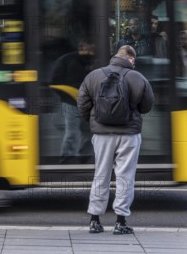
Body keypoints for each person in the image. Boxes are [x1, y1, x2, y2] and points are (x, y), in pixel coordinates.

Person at [77, 45, 154, 235]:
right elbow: (147, 106)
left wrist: (94, 122)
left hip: (102, 136)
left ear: (115, 57)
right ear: (131, 59)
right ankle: (120, 222)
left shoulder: (94, 76)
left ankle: (95, 220)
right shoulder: (138, 77)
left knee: (101, 174)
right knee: (125, 176)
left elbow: (82, 103)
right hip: (129, 135)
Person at [50, 40, 95, 160]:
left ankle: (80, 155)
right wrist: (65, 96)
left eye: (90, 47)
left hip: (86, 102)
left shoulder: (92, 61)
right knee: (73, 132)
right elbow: (55, 81)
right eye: (86, 47)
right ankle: (68, 156)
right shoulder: (67, 60)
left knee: (87, 132)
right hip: (71, 101)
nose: (88, 50)